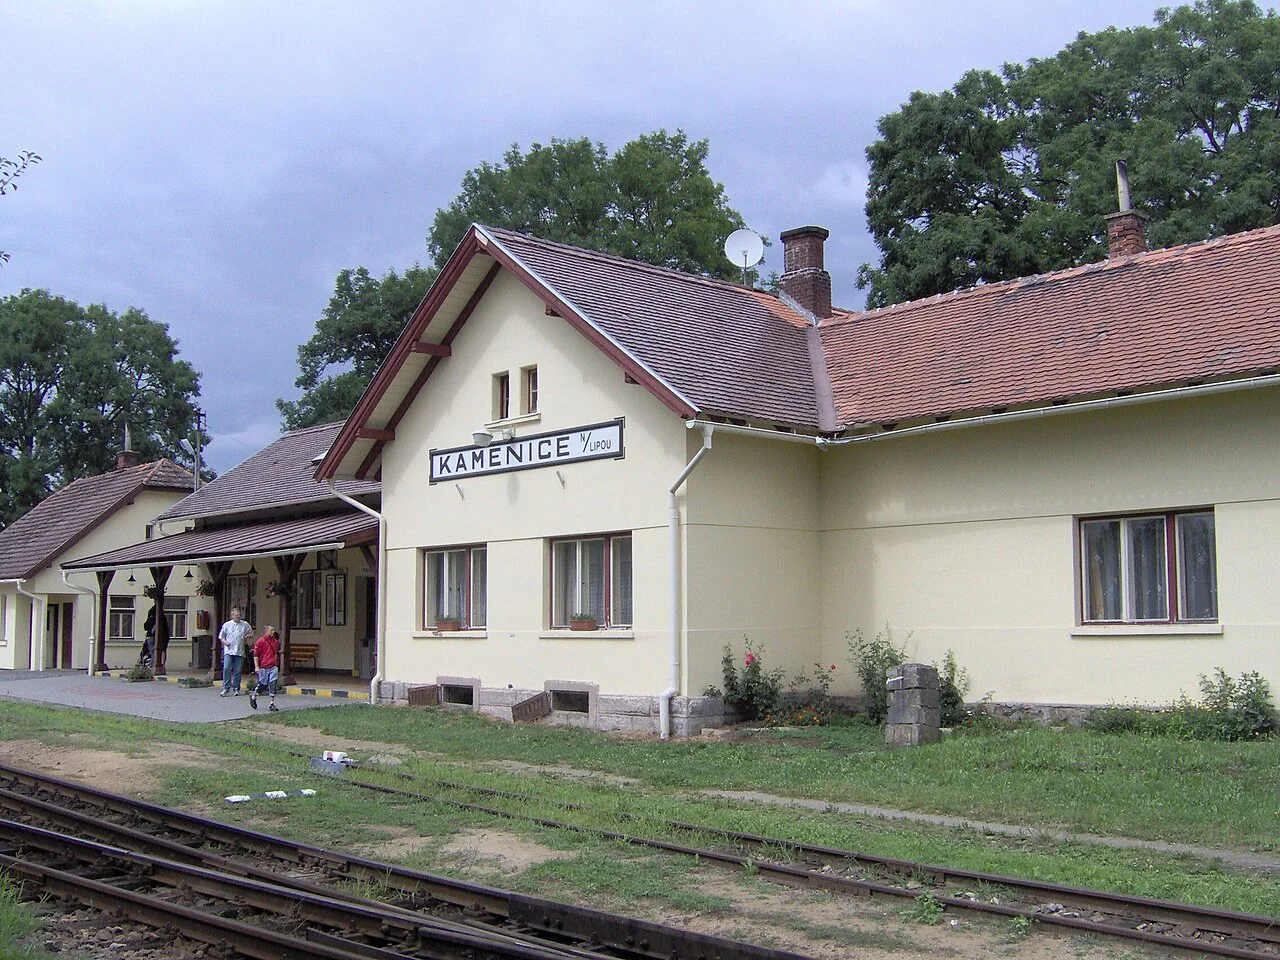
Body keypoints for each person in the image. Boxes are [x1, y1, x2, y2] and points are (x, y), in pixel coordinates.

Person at [217, 606, 253, 697]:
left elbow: (251, 633)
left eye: (239, 615)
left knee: (238, 670)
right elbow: (221, 636)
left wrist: (247, 636)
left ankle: (236, 688)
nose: (238, 616)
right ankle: (226, 687)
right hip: (229, 651)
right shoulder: (227, 625)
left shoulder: (244, 624)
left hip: (239, 651)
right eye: (236, 615)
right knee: (226, 668)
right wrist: (225, 642)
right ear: (232, 615)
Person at [249, 626, 281, 712]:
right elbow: (256, 655)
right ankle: (254, 695)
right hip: (263, 666)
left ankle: (272, 703)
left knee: (273, 683)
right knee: (263, 684)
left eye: (274, 630)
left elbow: (275, 653)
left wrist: (276, 663)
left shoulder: (275, 641)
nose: (273, 632)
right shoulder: (261, 641)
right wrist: (256, 666)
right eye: (271, 630)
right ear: (266, 631)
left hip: (273, 666)